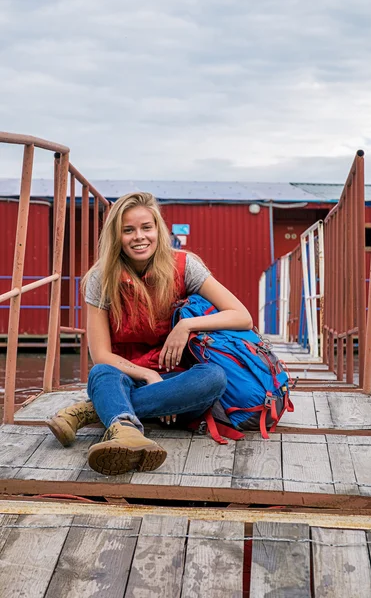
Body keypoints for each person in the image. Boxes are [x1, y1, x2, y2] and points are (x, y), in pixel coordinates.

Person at [47, 192, 252, 476]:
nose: (139, 237)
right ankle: (127, 432)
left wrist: (186, 326)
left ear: (158, 229)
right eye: (128, 230)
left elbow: (243, 317)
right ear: (116, 236)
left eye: (146, 227)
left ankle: (96, 413)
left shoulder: (185, 265)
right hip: (126, 376)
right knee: (101, 373)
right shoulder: (100, 278)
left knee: (213, 378)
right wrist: (147, 376)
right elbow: (101, 354)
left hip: (177, 383)